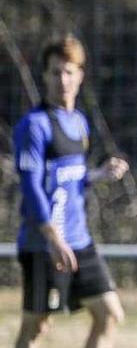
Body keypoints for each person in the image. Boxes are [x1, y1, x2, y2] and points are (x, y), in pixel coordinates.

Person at [14, 34, 129, 348]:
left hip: (80, 241)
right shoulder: (34, 126)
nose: (62, 80)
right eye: (55, 72)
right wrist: (52, 237)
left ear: (80, 76)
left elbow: (68, 178)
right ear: (44, 76)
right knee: (36, 328)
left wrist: (98, 175)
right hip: (44, 243)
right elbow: (32, 185)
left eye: (68, 72)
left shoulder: (79, 122)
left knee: (109, 314)